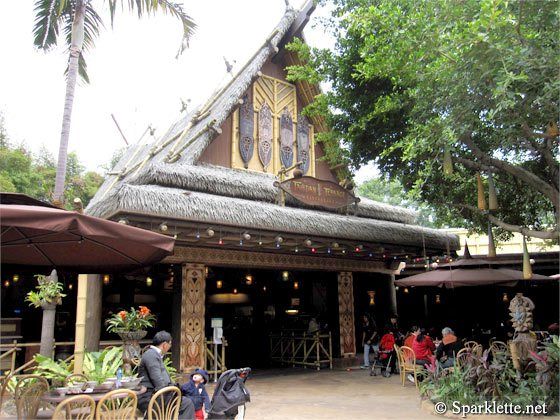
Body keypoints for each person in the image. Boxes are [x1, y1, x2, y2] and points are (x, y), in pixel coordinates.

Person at [137, 331, 195, 420]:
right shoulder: (151, 355)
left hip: (158, 396)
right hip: (150, 398)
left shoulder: (155, 355)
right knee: (187, 403)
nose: (169, 347)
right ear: (164, 344)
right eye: (170, 344)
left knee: (185, 400)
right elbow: (158, 381)